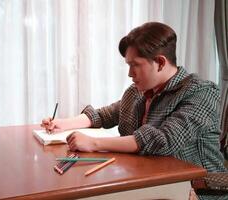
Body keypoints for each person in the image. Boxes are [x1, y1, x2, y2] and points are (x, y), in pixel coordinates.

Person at [41, 22, 226, 200]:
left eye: (135, 65)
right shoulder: (137, 91)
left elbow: (163, 140)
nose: (129, 73)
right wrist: (63, 124)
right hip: (146, 181)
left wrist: (94, 143)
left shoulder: (202, 92)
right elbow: (105, 115)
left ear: (160, 63)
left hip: (197, 189)